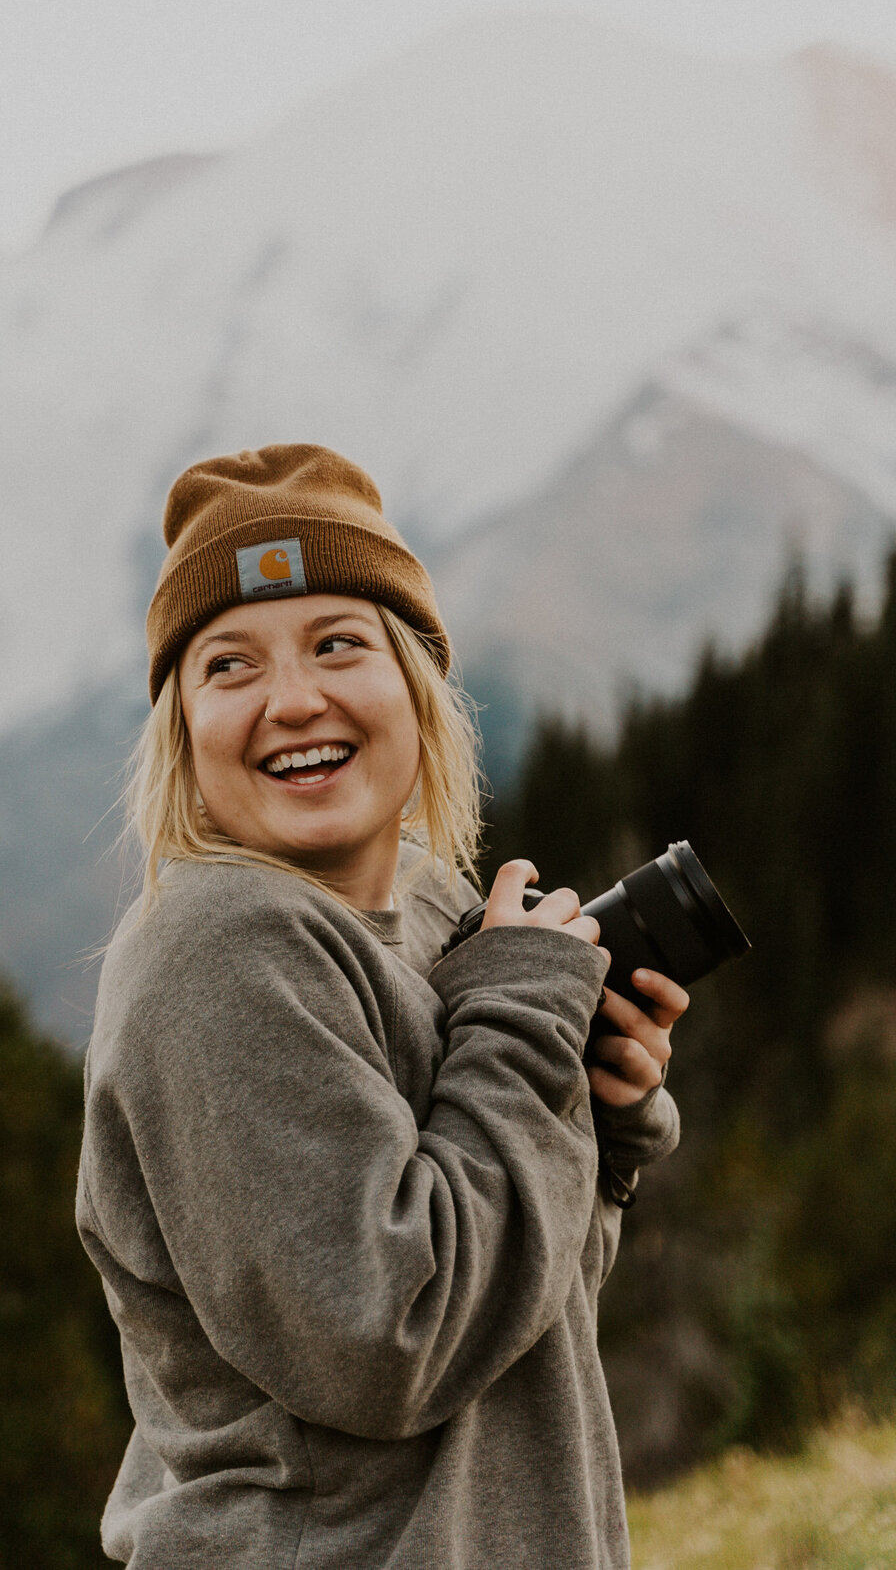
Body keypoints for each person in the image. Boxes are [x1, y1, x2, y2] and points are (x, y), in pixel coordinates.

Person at [77, 442, 685, 1569]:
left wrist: (590, 1119)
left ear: (415, 683)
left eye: (338, 643)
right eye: (228, 666)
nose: (293, 700)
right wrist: (518, 1033)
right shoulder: (219, 949)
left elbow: (523, 1320)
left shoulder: (433, 904)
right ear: (182, 729)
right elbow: (387, 1339)